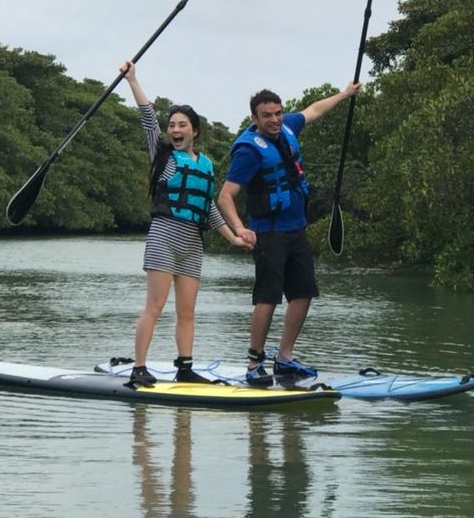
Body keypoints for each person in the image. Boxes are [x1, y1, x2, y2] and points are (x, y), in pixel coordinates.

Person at [218, 82, 361, 386]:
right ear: (255, 118)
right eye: (266, 115)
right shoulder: (248, 151)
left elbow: (314, 110)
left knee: (304, 293)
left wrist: (346, 94)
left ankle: (284, 357)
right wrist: (240, 228)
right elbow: (225, 196)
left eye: (278, 113)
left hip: (296, 229)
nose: (274, 119)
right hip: (268, 233)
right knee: (268, 298)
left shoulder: (287, 128)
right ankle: (254, 362)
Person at [121, 60, 252, 387]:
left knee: (188, 312)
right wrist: (133, 80)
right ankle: (139, 367)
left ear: (194, 130)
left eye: (182, 125)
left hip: (192, 243)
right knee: (155, 306)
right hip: (164, 236)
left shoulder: (206, 165)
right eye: (172, 126)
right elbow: (149, 121)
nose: (175, 130)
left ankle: (185, 367)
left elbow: (207, 207)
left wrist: (234, 236)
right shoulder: (163, 157)